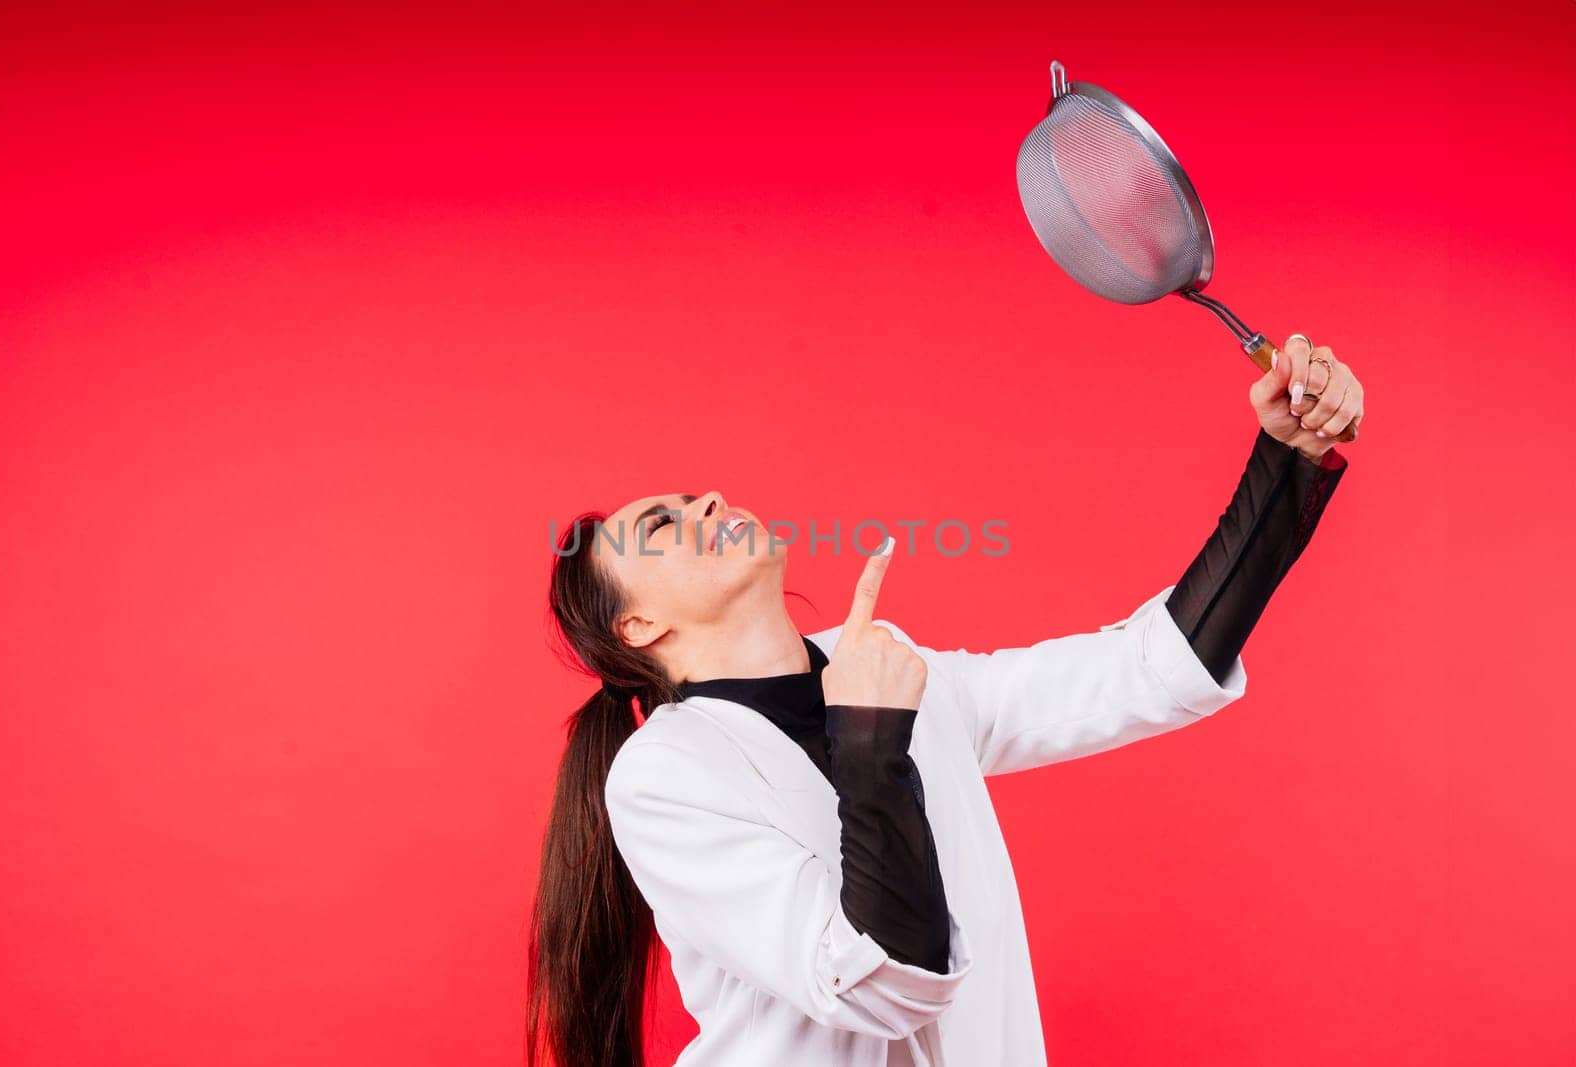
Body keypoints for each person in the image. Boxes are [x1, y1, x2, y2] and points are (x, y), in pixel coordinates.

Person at [526, 336, 1364, 1066]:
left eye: (690, 496)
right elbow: (883, 982)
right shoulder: (664, 777)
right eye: (665, 526)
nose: (704, 499)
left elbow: (1142, 668)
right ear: (637, 625)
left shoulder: (900, 671)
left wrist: (1286, 456)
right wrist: (869, 739)